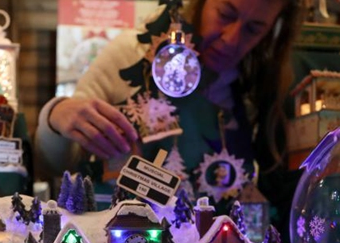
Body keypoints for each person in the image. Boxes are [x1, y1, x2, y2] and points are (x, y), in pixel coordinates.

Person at [36, 0, 302, 226]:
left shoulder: (253, 88)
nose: (231, 39)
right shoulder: (131, 55)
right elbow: (59, 163)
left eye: (254, 29)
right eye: (226, 14)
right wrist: (55, 116)